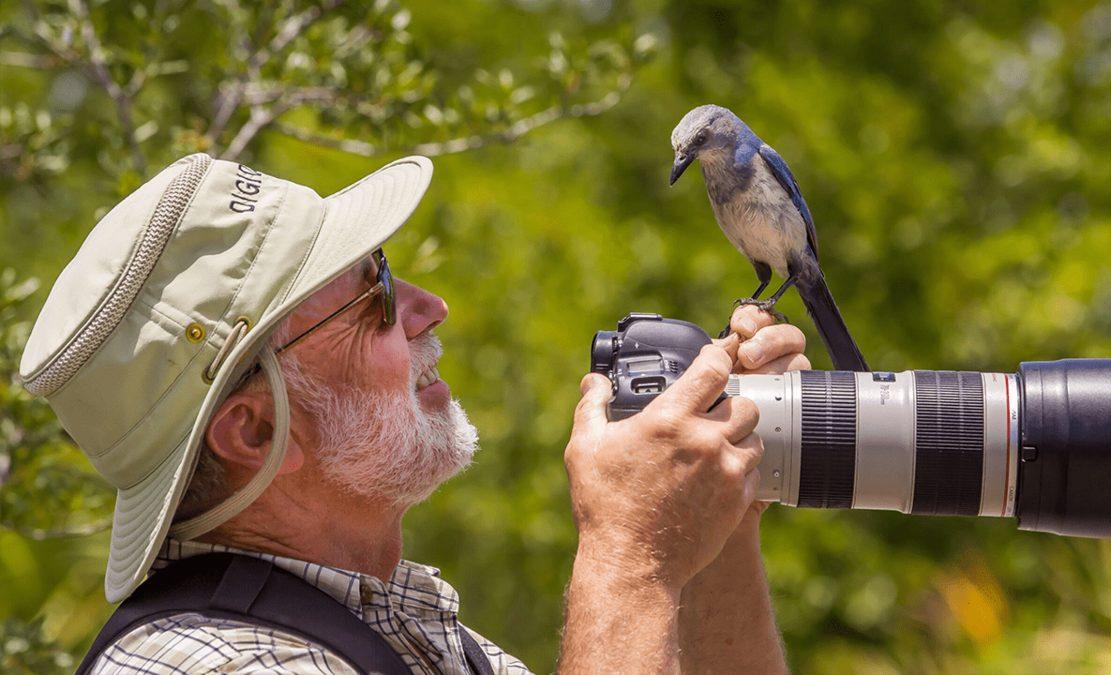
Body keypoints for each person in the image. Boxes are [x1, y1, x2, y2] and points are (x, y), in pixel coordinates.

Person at [19, 153, 806, 673]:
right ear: (256, 430)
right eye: (378, 296)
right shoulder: (209, 663)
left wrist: (717, 510)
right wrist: (629, 555)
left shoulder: (408, 629)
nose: (430, 307)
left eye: (386, 269)